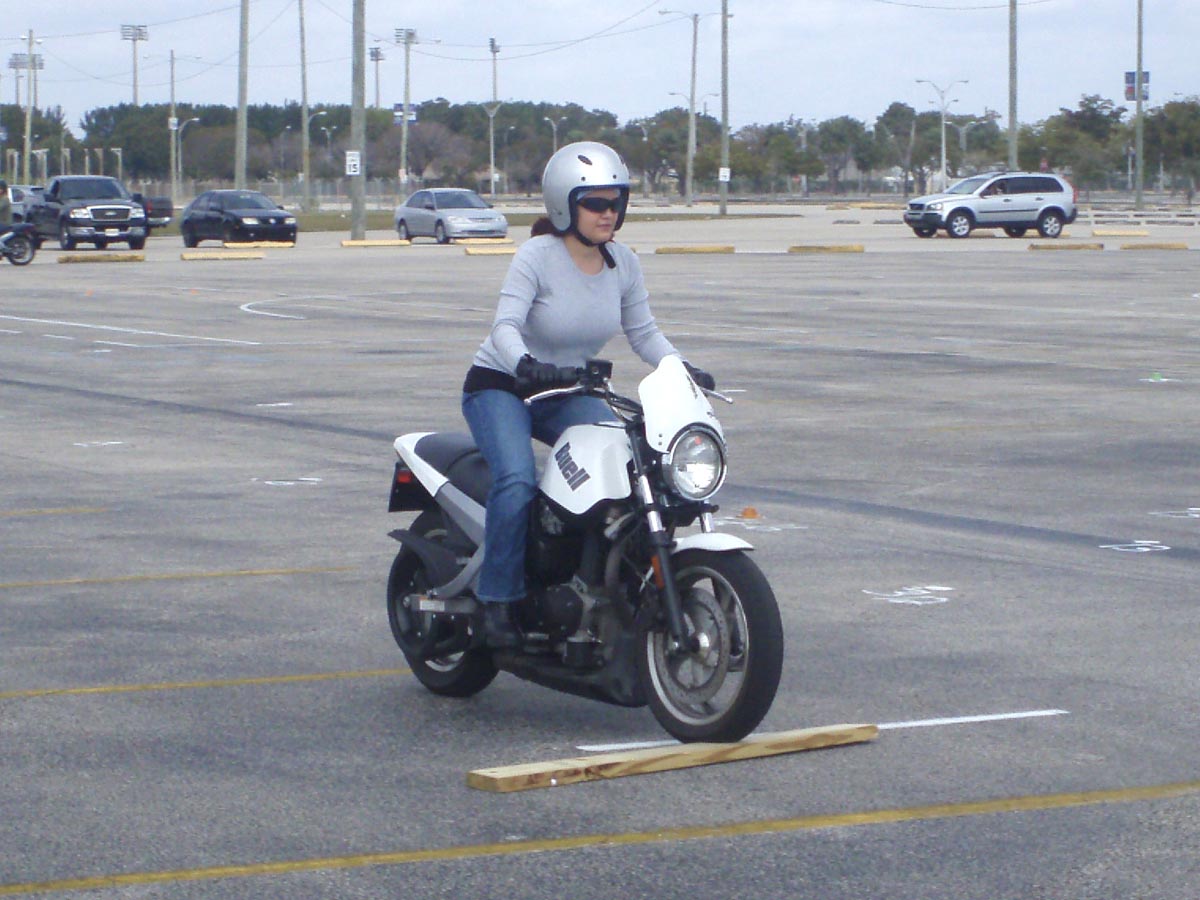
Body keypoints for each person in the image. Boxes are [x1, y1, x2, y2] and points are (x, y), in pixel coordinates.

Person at [461, 141, 714, 647]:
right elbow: (505, 325)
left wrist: (680, 368)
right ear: (564, 205)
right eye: (595, 203)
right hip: (504, 386)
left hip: (570, 389)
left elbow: (643, 332)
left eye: (616, 202)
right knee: (517, 479)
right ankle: (497, 600)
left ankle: (602, 582)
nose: (608, 213)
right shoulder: (537, 256)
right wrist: (525, 365)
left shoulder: (623, 263)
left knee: (630, 467)